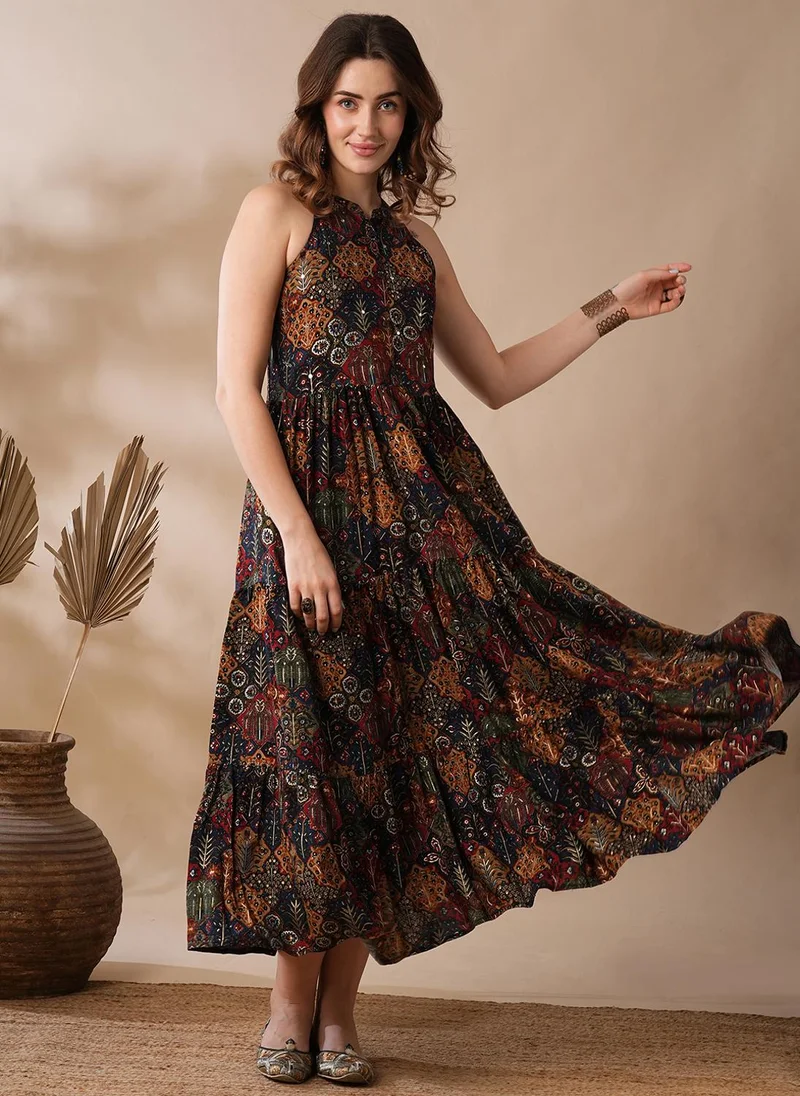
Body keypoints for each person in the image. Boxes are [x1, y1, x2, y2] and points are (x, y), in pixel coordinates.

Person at [185, 12, 800, 1087]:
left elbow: (499, 377)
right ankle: (289, 1001)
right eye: (347, 101)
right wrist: (298, 536)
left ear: (411, 114)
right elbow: (239, 391)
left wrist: (614, 306)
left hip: (425, 529)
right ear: (316, 108)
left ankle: (339, 1013)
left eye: (387, 104)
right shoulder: (273, 213)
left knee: (393, 753)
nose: (366, 123)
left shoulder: (416, 244)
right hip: (309, 520)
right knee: (312, 751)